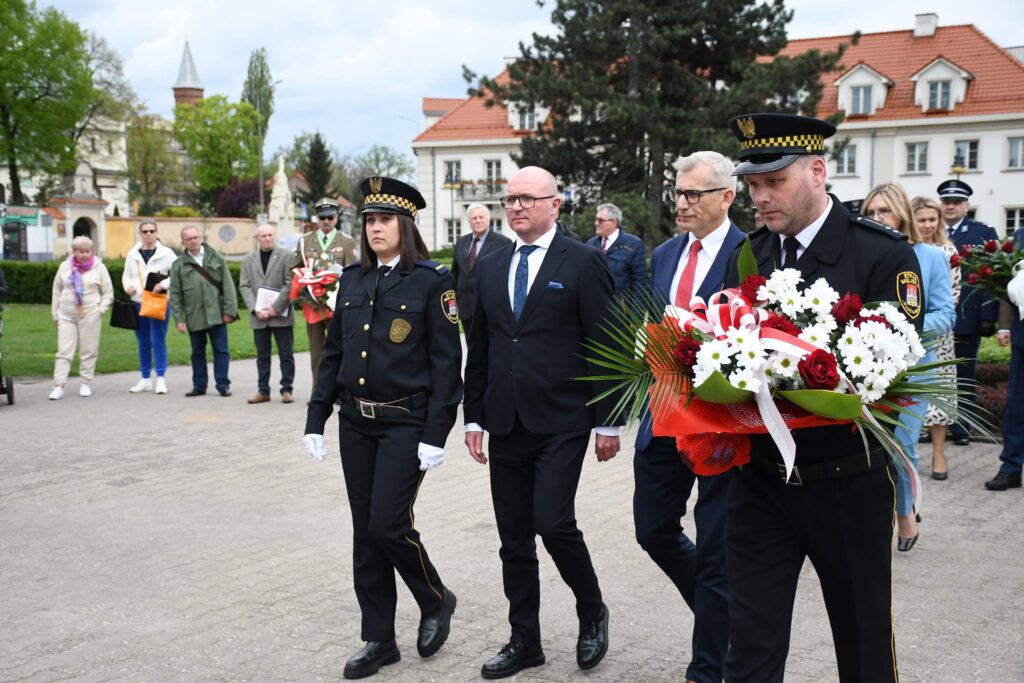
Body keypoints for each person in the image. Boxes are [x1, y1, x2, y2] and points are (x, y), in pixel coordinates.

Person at [722, 113, 923, 683]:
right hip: (760, 482)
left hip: (847, 482)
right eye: (752, 185)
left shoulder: (881, 254)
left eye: (773, 182)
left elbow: (893, 370)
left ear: (817, 171)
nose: (759, 198)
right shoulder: (750, 254)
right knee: (750, 648)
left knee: (862, 648)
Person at [463, 166, 620, 679]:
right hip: (506, 420)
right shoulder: (490, 265)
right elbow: (481, 348)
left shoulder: (581, 262)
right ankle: (524, 640)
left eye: (529, 199)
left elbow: (606, 342)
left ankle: (591, 611)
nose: (517, 207)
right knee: (513, 538)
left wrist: (609, 423)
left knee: (553, 523)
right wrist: (473, 418)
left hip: (562, 419)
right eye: (510, 199)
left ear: (556, 204)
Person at [302, 177, 462, 680]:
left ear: (405, 226)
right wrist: (315, 417)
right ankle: (378, 639)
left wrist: (437, 433)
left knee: (387, 524)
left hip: (406, 424)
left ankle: (435, 598)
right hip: (356, 422)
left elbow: (445, 366)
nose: (374, 229)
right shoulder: (351, 280)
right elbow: (334, 354)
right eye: (368, 221)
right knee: (363, 533)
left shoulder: (433, 283)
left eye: (384, 220)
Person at [636, 151, 745, 683]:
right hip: (662, 413)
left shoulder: (751, 253)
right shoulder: (664, 255)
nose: (682, 203)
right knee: (652, 529)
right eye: (678, 193)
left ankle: (708, 668)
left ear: (726, 196)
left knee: (717, 545)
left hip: (721, 421)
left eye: (693, 194)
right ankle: (719, 618)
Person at [863, 183, 955, 552]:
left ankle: (905, 513)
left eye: (883, 211)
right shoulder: (864, 252)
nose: (876, 218)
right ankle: (869, 516)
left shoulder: (930, 256)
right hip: (867, 369)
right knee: (867, 446)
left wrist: (903, 328)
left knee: (901, 444)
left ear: (902, 214)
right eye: (870, 212)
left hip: (914, 370)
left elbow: (945, 314)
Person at [939, 179, 999, 446]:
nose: (950, 207)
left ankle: (961, 428)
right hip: (937, 318)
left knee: (963, 375)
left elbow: (991, 277)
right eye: (946, 202)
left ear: (967, 206)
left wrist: (989, 316)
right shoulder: (930, 230)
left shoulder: (981, 233)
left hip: (967, 317)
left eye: (956, 202)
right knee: (936, 375)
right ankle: (934, 424)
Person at [912, 196, 962, 479]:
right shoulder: (903, 249)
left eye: (933, 219)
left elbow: (951, 297)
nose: (928, 225)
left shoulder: (945, 250)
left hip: (938, 339)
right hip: (912, 336)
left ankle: (939, 453)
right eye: (922, 220)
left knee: (939, 396)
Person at [294, 197, 358, 392]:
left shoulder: (346, 242)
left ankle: (339, 389)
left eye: (330, 217)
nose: (326, 221)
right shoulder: (305, 241)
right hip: (313, 305)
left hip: (336, 304)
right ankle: (319, 390)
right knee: (316, 351)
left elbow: (353, 273)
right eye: (322, 218)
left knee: (338, 348)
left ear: (337, 217)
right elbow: (296, 269)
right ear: (317, 219)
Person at [168, 226, 238, 397]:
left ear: (201, 237)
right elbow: (175, 294)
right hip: (194, 316)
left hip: (217, 313)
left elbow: (228, 286)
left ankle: (223, 384)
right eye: (189, 238)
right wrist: (179, 319)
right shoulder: (178, 265)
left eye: (195, 237)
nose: (193, 240)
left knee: (221, 350)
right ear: (183, 242)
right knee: (197, 352)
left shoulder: (216, 257)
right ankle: (199, 385)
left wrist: (229, 310)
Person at [49, 236, 113, 399]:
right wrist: (55, 314)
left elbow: (108, 292)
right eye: (80, 251)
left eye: (87, 251)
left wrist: (101, 309)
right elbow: (56, 290)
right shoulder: (65, 266)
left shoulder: (99, 268)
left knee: (88, 350)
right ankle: (59, 385)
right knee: (64, 351)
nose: (84, 255)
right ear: (74, 251)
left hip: (90, 314)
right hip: (66, 314)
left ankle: (85, 383)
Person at [984, 227, 1024, 491]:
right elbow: (1009, 280)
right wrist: (1005, 326)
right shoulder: (1021, 235)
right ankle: (1011, 466)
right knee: (1018, 404)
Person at [239, 223, 296, 404]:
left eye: (270, 235)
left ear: (275, 236)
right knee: (262, 356)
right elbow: (244, 285)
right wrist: (255, 309)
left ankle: (287, 389)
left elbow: (291, 283)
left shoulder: (287, 256)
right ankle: (263, 390)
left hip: (281, 315)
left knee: (285, 354)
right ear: (257, 239)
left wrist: (275, 308)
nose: (267, 238)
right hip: (259, 317)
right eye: (263, 236)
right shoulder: (248, 259)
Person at [122, 219, 176, 395]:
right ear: (140, 234)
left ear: (157, 232)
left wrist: (165, 284)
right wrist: (128, 287)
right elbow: (127, 276)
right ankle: (145, 379)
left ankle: (160, 378)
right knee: (143, 342)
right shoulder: (133, 254)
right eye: (145, 231)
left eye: (152, 231)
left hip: (158, 302)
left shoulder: (166, 253)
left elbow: (178, 273)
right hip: (138, 301)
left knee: (158, 341)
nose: (148, 234)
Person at [450, 203, 511, 335]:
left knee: (490, 349)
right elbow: (455, 273)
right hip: (465, 307)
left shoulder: (503, 243)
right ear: (469, 221)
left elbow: (508, 277)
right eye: (474, 218)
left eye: (481, 217)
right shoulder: (461, 242)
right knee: (471, 348)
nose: (478, 220)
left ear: (488, 219)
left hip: (491, 308)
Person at [585, 203, 648, 294]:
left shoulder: (633, 244)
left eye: (600, 220)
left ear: (614, 222)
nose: (596, 223)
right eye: (596, 219)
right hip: (594, 305)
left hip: (619, 306)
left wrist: (632, 308)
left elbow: (640, 284)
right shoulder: (591, 243)